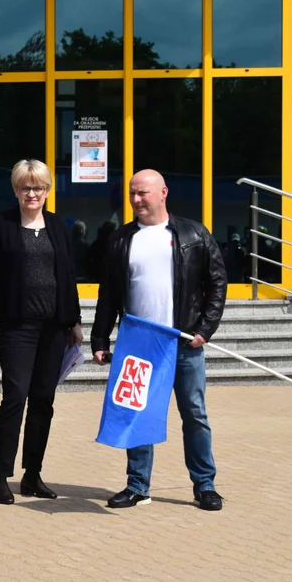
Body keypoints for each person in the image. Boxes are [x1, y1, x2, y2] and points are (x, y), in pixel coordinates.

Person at [91, 169, 227, 511]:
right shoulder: (122, 239)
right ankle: (138, 486)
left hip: (182, 343)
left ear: (163, 192)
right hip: (139, 345)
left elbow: (217, 282)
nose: (137, 200)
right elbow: (108, 294)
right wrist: (100, 339)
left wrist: (204, 330)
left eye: (143, 193)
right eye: (132, 194)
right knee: (137, 412)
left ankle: (205, 486)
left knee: (194, 413)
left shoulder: (193, 233)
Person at [0, 159, 83, 505]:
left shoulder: (57, 226)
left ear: (47, 191)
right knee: (15, 398)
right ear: (15, 189)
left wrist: (75, 322)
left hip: (54, 328)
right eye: (25, 187)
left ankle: (33, 475)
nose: (32, 193)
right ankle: (0, 476)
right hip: (17, 328)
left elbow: (68, 276)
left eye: (38, 187)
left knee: (44, 400)